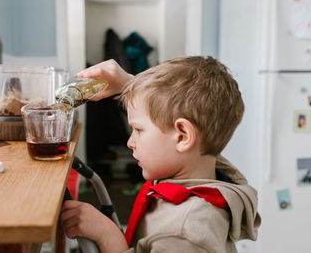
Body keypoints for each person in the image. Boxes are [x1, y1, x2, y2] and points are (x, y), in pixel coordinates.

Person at [60, 57, 261, 253]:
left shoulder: (185, 233)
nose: (130, 142)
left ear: (182, 137)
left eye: (138, 130)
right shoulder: (201, 167)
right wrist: (130, 84)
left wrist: (107, 235)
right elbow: (190, 137)